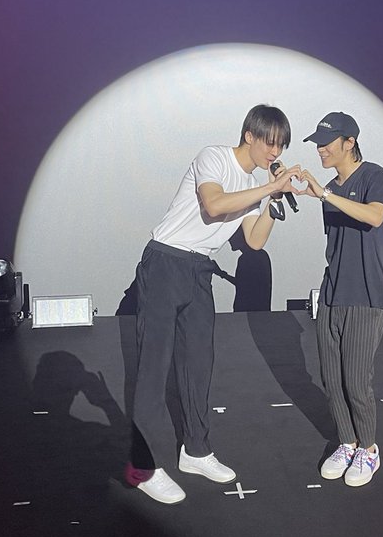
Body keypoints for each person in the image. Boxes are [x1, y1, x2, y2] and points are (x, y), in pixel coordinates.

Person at [126, 105, 304, 504]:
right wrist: (268, 189)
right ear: (250, 136)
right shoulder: (214, 157)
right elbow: (214, 205)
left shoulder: (254, 184)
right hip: (165, 261)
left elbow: (254, 241)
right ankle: (143, 467)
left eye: (281, 146)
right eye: (270, 143)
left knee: (198, 364)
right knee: (154, 370)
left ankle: (196, 450)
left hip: (199, 270)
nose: (275, 153)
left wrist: (273, 203)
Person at [298, 112, 383, 487]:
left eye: (327, 143)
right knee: (331, 379)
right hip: (333, 293)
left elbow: (374, 217)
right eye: (318, 144)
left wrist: (325, 194)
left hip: (367, 295)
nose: (320, 150)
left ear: (349, 142)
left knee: (355, 380)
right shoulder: (328, 189)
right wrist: (319, 193)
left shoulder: (373, 175)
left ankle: (368, 449)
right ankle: (347, 443)